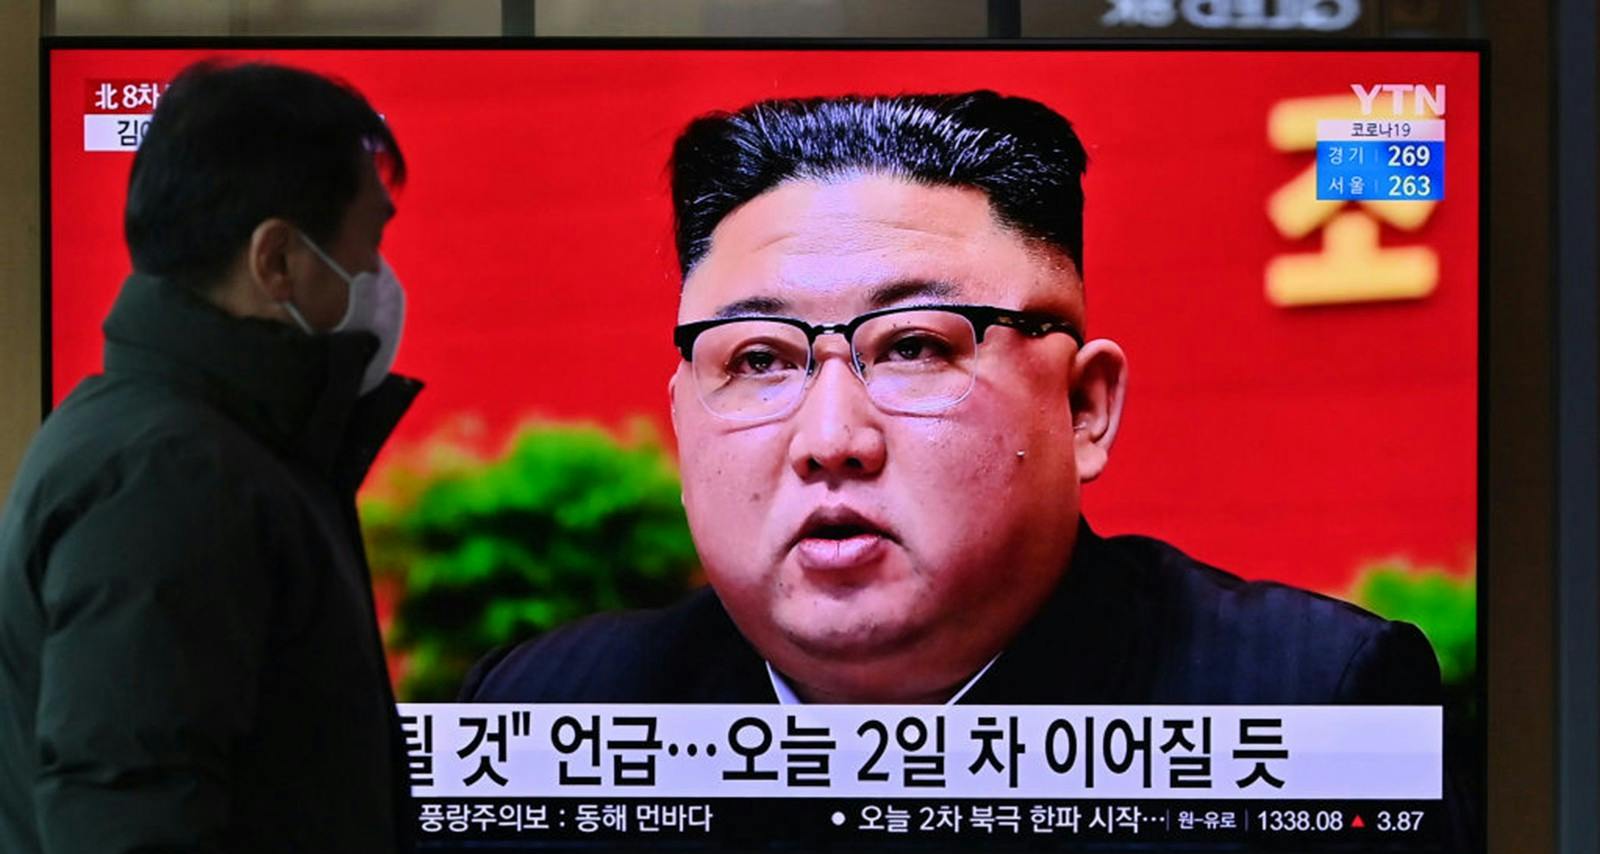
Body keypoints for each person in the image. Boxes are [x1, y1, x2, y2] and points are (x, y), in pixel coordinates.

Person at [464, 90, 1442, 710]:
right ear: (681, 414)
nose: (830, 438)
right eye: (760, 359)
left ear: (1086, 407)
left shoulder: (1309, 699)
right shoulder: (551, 706)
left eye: (917, 346)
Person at [0, 62, 421, 854]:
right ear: (277, 260)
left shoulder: (225, 450)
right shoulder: (171, 476)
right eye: (368, 243)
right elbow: (135, 845)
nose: (381, 282)